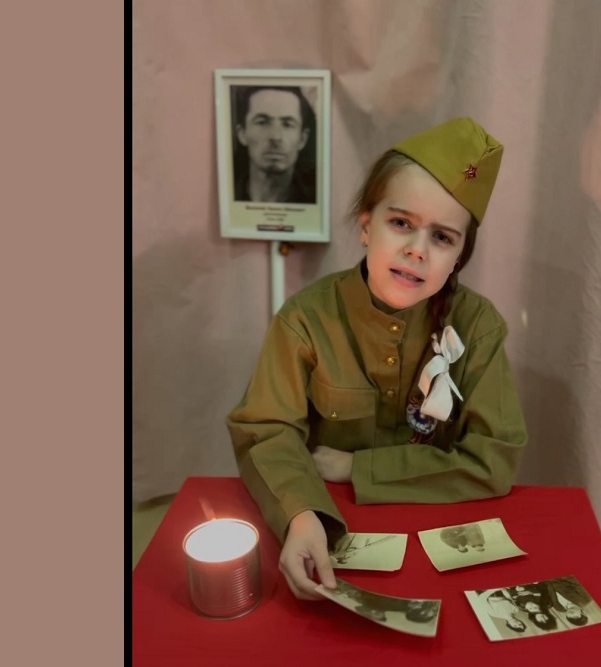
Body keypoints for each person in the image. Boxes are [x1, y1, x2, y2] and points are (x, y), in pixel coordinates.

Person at [226, 117, 528, 600]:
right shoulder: (306, 319)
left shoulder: (477, 326)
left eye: (442, 237)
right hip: (332, 524)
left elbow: (494, 459)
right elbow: (266, 430)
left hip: (442, 537)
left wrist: (357, 468)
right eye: (401, 223)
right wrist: (300, 514)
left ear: (458, 257)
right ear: (367, 226)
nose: (416, 251)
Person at [231, 85, 317, 203]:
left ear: (302, 139)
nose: (276, 137)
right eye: (262, 122)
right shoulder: (228, 197)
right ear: (242, 134)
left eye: (287, 124)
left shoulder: (315, 201)